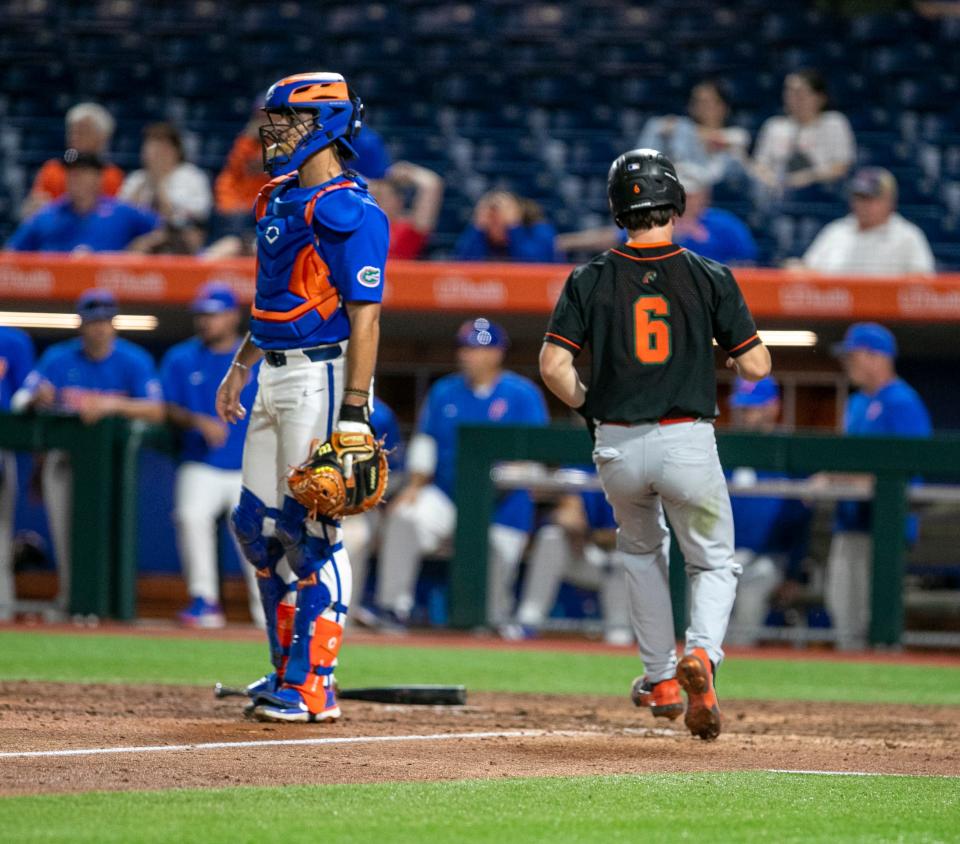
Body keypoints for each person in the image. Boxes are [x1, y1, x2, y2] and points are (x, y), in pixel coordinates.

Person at [538, 149, 771, 740]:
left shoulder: (589, 276)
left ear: (620, 207)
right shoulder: (710, 273)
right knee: (713, 561)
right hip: (686, 439)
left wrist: (591, 405)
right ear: (674, 201)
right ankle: (704, 659)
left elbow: (553, 365)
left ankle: (661, 680)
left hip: (617, 443)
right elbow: (756, 369)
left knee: (642, 556)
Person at [215, 72, 388, 723]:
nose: (273, 131)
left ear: (328, 124)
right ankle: (285, 665)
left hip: (320, 375)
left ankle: (317, 684)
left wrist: (353, 415)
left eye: (286, 120)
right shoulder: (281, 198)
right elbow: (278, 301)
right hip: (271, 372)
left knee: (313, 528)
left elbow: (366, 319)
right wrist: (240, 366)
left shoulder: (350, 208)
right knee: (255, 529)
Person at [372, 318, 549, 628]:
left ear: (497, 353)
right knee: (404, 517)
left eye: (478, 349)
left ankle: (495, 624)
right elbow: (426, 443)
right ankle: (393, 608)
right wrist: (414, 486)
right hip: (448, 496)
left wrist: (507, 474)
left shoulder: (522, 394)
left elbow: (537, 456)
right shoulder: (445, 391)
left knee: (492, 607)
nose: (468, 356)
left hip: (502, 506)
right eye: (465, 348)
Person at [11, 290, 164, 615]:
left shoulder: (134, 359)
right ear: (81, 324)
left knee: (112, 538)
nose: (99, 328)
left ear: (114, 324)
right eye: (93, 321)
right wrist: (35, 399)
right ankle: (72, 600)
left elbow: (156, 411)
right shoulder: (57, 357)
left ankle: (108, 605)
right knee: (65, 532)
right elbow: (23, 397)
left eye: (105, 321)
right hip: (64, 462)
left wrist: (111, 404)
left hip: (114, 467)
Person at [160, 283, 263, 630]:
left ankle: (266, 610)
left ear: (233, 316)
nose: (206, 321)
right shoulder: (181, 357)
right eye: (201, 314)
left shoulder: (257, 358)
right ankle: (204, 600)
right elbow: (166, 406)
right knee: (190, 515)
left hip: (250, 466)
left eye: (214, 314)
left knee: (257, 534)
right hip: (201, 461)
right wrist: (196, 420)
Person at [827, 323, 931, 650]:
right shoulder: (857, 403)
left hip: (882, 529)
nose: (848, 363)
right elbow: (847, 461)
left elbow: (915, 468)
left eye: (853, 355)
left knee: (874, 620)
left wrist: (858, 479)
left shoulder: (903, 402)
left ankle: (880, 696)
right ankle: (851, 699)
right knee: (842, 611)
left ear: (877, 357)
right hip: (850, 522)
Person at [725, 377, 810, 646]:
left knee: (748, 611)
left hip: (769, 560)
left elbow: (802, 521)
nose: (745, 416)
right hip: (722, 558)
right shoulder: (726, 449)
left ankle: (737, 678)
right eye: (742, 408)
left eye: (753, 408)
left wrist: (794, 573)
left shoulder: (789, 452)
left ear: (773, 407)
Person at [508, 478, 632, 646]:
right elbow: (568, 514)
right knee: (551, 536)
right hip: (584, 554)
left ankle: (619, 630)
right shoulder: (584, 469)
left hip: (620, 563)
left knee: (622, 557)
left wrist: (596, 535)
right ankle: (530, 619)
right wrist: (574, 526)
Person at [7, 150, 158, 253]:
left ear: (98, 178)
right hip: (55, 293)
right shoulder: (47, 215)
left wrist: (139, 246)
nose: (75, 178)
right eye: (71, 173)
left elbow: (164, 229)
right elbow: (12, 252)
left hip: (109, 293)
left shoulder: (121, 212)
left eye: (83, 172)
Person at [798, 167, 935, 275]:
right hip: (835, 307)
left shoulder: (907, 236)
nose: (863, 205)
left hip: (885, 309)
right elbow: (809, 272)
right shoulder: (836, 231)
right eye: (859, 197)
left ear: (890, 201)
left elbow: (921, 286)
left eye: (870, 198)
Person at [341, 396, 404, 626]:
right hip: (313, 501)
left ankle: (342, 615)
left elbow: (394, 473)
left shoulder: (380, 413)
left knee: (354, 537)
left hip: (360, 506)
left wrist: (364, 498)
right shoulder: (317, 403)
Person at [752, 69, 856, 197]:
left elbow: (841, 166)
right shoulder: (774, 126)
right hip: (778, 193)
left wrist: (805, 178)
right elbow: (759, 165)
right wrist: (772, 180)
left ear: (820, 98)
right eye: (789, 92)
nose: (794, 98)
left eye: (800, 92)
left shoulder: (834, 122)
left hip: (821, 192)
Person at [120, 122, 213, 255]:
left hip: (179, 242)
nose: (155, 154)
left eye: (162, 148)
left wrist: (159, 183)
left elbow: (192, 220)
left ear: (176, 150)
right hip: (139, 241)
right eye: (150, 147)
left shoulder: (192, 177)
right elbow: (123, 215)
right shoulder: (136, 179)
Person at [638, 79, 750, 188]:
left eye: (707, 102)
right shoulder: (682, 131)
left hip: (719, 190)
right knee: (655, 126)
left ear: (723, 106)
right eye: (696, 102)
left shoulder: (736, 134)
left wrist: (682, 128)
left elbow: (732, 143)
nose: (701, 107)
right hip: (684, 186)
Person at [22, 102, 124, 218]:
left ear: (102, 137)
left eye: (83, 131)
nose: (75, 136)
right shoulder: (52, 170)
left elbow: (115, 217)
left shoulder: (112, 176)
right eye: (72, 131)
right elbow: (33, 210)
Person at [0, 327, 35, 620]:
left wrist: (32, 399)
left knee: (0, 534)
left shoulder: (11, 341)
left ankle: (2, 609)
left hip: (1, 446)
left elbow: (23, 395)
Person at [368, 161, 444, 259]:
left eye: (382, 196)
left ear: (399, 201)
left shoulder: (410, 228)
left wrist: (409, 171)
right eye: (374, 196)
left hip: (398, 273)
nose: (377, 201)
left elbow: (431, 185)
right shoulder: (362, 224)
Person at [454, 192, 557, 262]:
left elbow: (532, 268)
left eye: (500, 220)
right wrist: (479, 227)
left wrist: (513, 227)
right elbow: (465, 269)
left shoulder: (540, 231)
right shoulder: (480, 235)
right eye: (491, 219)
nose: (496, 222)